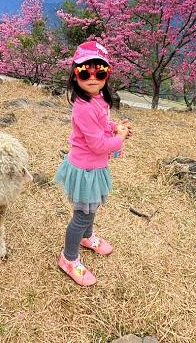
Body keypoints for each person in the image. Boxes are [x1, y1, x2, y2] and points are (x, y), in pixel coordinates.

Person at [54, 40, 132, 287]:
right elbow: (98, 144)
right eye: (84, 72)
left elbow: (101, 128)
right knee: (82, 215)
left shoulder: (98, 100)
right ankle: (69, 258)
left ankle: (87, 237)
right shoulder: (83, 108)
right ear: (75, 75)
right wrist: (118, 139)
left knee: (91, 208)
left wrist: (113, 127)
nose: (92, 77)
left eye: (100, 72)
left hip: (95, 167)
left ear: (107, 75)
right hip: (86, 169)